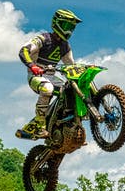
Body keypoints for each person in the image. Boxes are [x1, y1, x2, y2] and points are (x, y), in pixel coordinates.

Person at [16, 8, 82, 139]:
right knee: (47, 88)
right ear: (57, 23)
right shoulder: (43, 38)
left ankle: (71, 126)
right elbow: (24, 51)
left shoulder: (65, 46)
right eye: (66, 26)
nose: (69, 30)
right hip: (36, 76)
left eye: (71, 28)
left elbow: (71, 65)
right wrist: (32, 66)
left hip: (52, 77)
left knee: (72, 89)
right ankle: (40, 125)